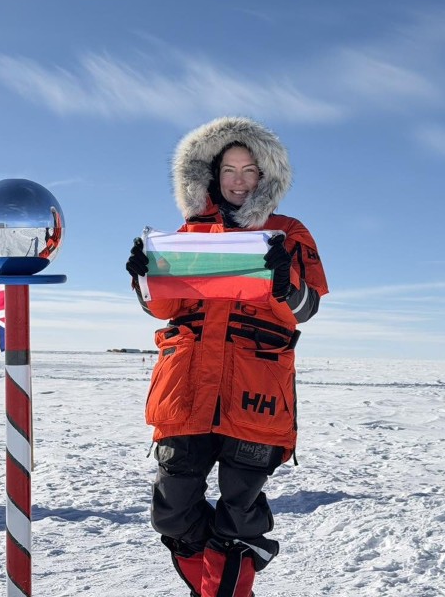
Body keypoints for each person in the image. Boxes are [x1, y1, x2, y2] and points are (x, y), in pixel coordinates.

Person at [125, 116, 328, 597]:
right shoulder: (188, 233)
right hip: (187, 389)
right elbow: (165, 307)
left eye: (249, 170)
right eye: (229, 170)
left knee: (239, 521)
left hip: (255, 393)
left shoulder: (289, 233)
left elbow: (307, 307)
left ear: (266, 177)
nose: (238, 181)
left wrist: (285, 280)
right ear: (211, 176)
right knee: (173, 514)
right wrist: (143, 276)